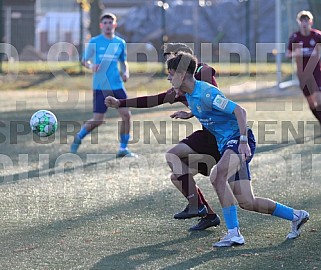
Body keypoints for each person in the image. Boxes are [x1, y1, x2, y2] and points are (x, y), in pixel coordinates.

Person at [167, 52, 309, 247]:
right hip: (226, 144)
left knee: (217, 176)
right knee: (247, 202)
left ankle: (234, 233)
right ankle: (296, 216)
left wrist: (242, 141)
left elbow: (239, 111)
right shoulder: (190, 95)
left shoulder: (207, 92)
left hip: (238, 140)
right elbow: (206, 108)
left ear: (182, 75)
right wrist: (190, 114)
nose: (168, 77)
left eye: (171, 73)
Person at [106, 43, 221, 231]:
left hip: (222, 137)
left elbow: (212, 95)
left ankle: (203, 209)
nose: (168, 72)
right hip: (208, 135)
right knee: (178, 176)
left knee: (245, 198)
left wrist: (192, 111)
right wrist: (120, 102)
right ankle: (207, 213)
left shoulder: (204, 73)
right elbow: (154, 99)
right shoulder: (179, 89)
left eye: (172, 64)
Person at [70, 13, 137, 158]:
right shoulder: (94, 41)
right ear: (101, 26)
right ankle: (79, 136)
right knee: (98, 120)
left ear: (114, 25)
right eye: (105, 23)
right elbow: (83, 60)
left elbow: (123, 62)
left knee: (126, 115)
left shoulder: (120, 42)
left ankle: (123, 148)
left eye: (110, 23)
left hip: (117, 85)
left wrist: (126, 72)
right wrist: (91, 66)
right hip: (101, 86)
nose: (107, 25)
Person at [286, 10, 321, 124]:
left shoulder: (317, 36)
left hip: (317, 72)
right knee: (312, 104)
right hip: (303, 75)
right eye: (302, 20)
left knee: (319, 100)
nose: (304, 23)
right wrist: (295, 53)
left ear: (311, 22)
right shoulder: (295, 37)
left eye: (306, 20)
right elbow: (287, 54)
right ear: (298, 22)